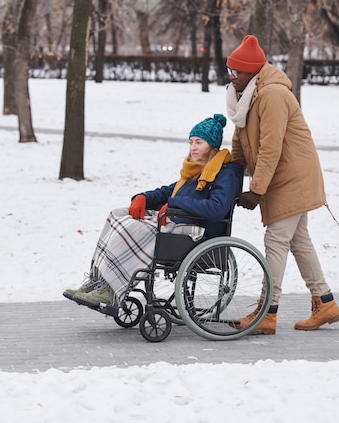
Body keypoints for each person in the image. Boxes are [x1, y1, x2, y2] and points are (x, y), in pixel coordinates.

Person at [225, 34, 339, 335]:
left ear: (252, 71)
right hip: (282, 176)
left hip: (293, 176)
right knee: (298, 241)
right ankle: (325, 302)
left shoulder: (273, 94)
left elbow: (271, 147)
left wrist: (256, 190)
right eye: (230, 70)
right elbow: (240, 141)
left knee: (276, 240)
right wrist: (231, 178)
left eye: (236, 71)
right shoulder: (246, 94)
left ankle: (268, 312)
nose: (231, 76)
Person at [63, 114, 243, 308]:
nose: (193, 148)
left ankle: (112, 291)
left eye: (199, 142)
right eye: (191, 142)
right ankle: (98, 279)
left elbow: (216, 209)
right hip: (178, 221)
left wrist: (177, 203)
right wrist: (144, 197)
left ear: (213, 146)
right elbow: (169, 191)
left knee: (135, 228)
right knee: (117, 214)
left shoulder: (225, 173)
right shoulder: (197, 170)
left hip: (199, 231)